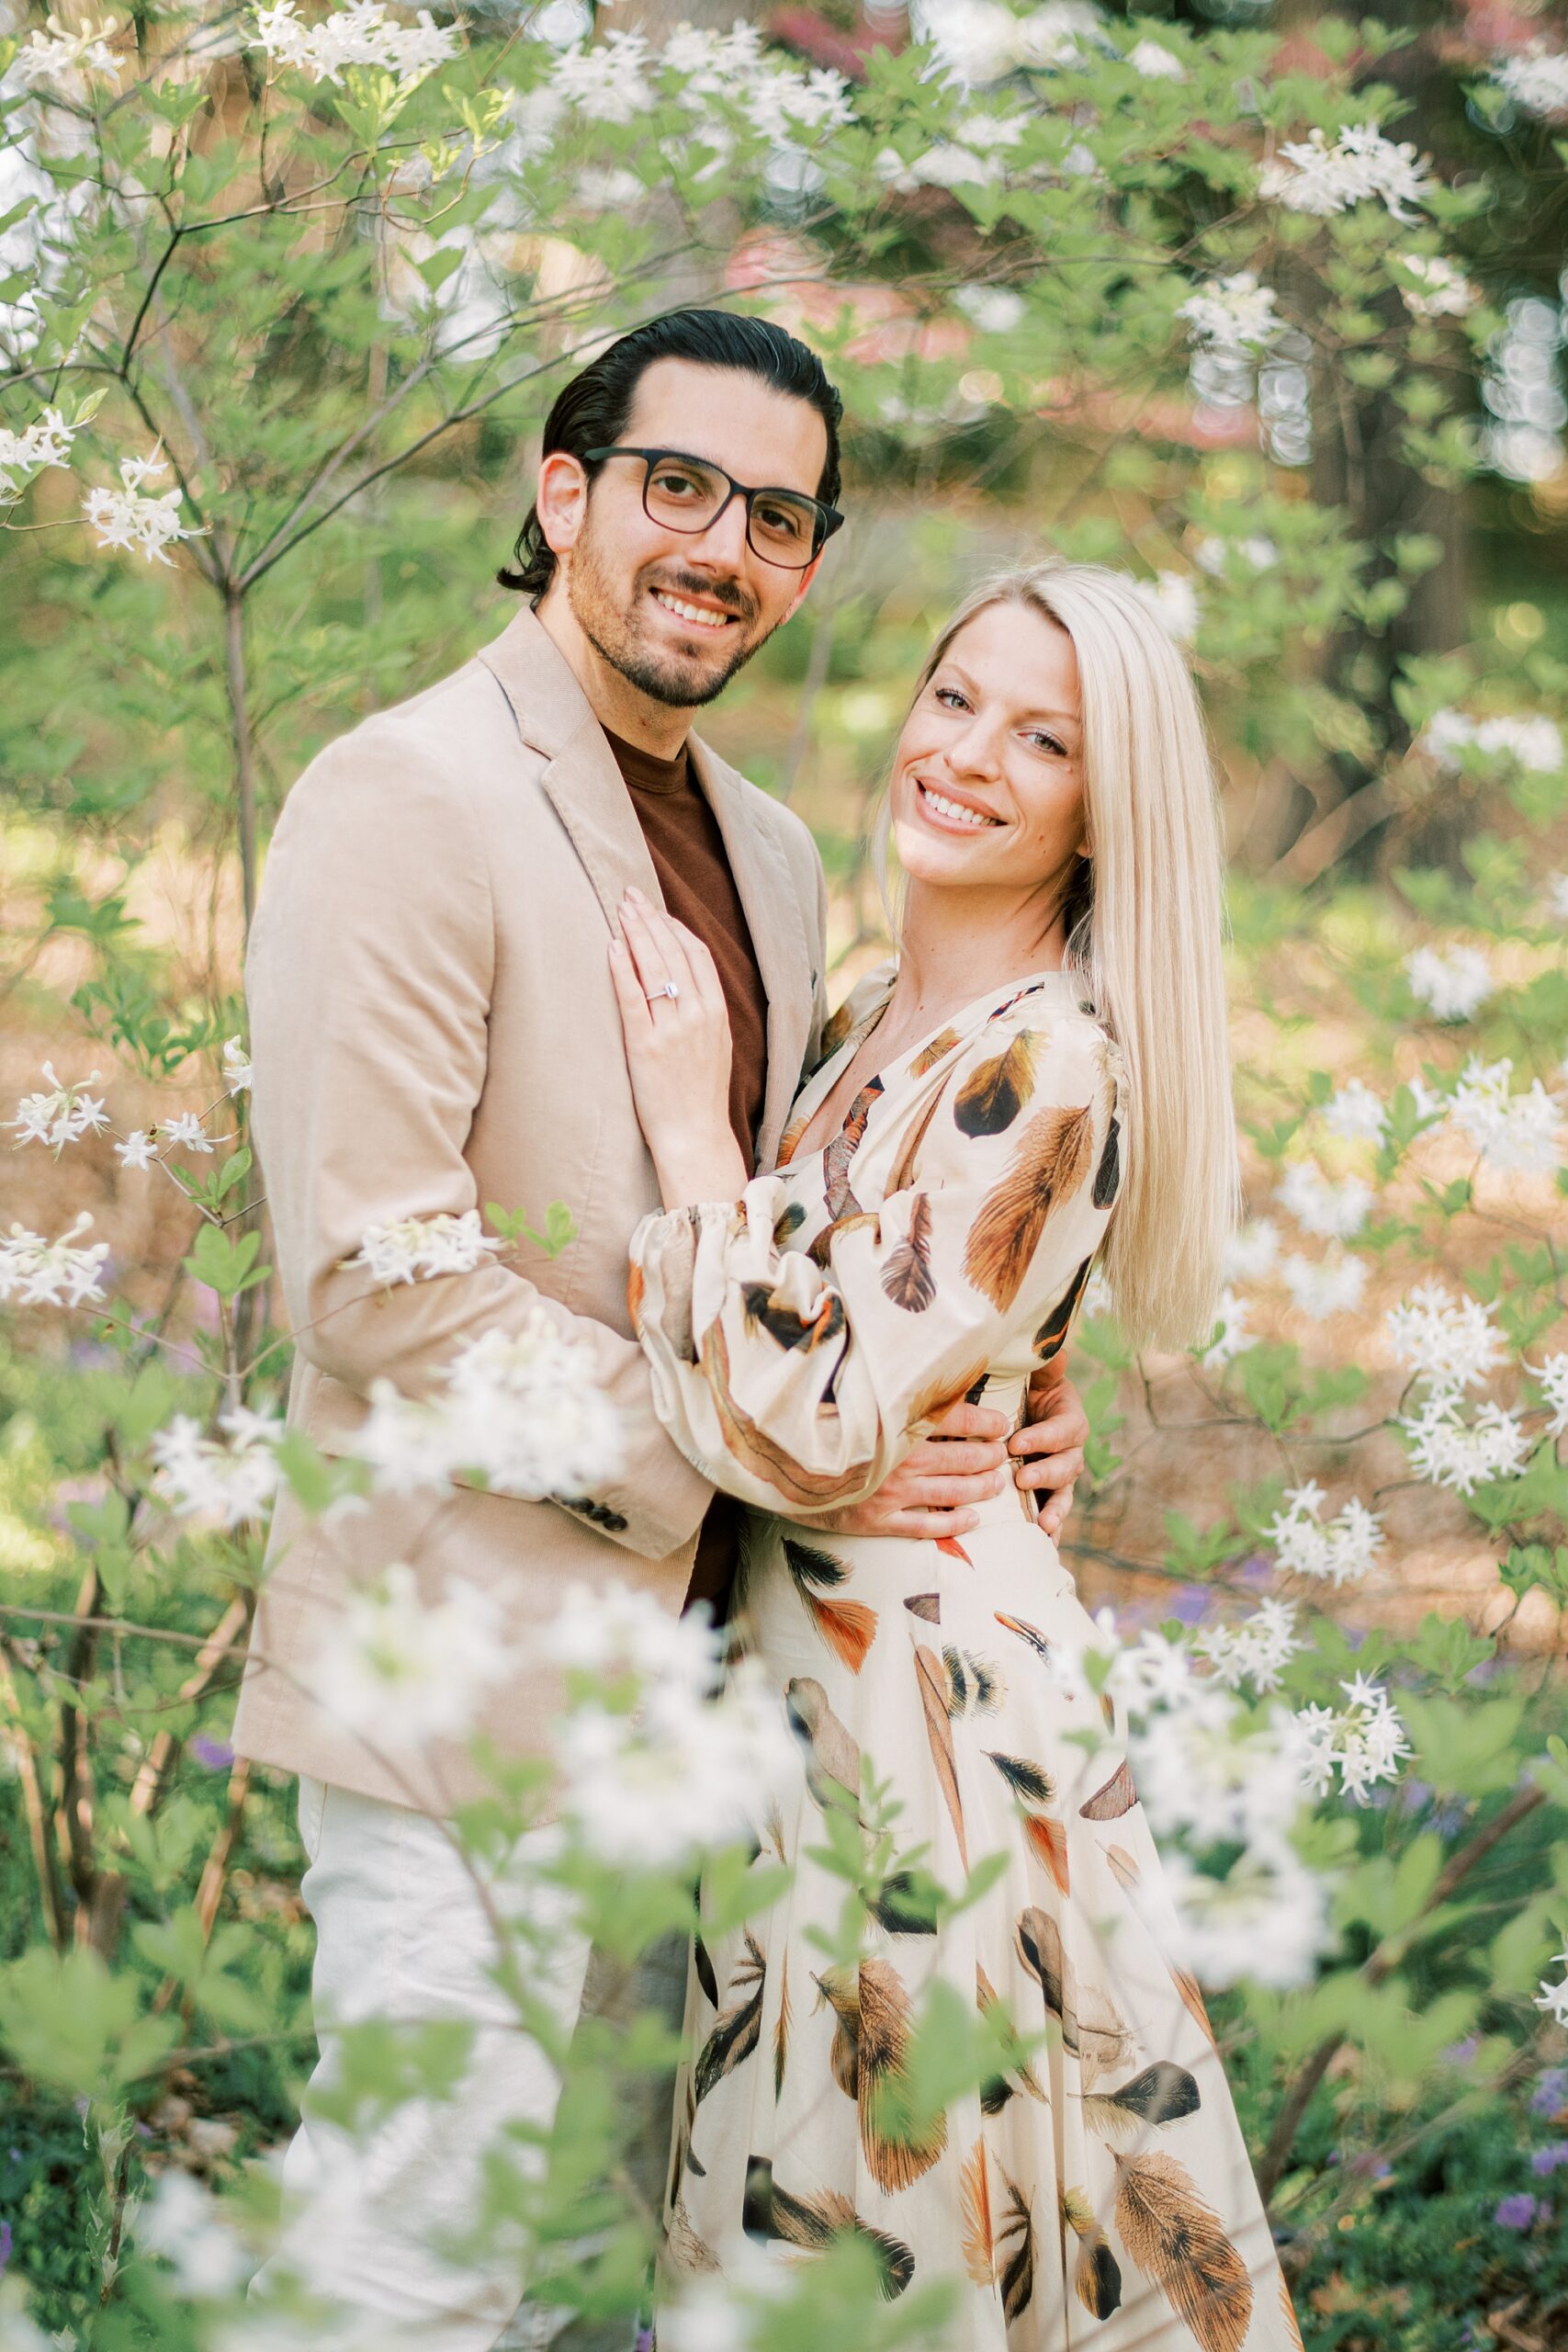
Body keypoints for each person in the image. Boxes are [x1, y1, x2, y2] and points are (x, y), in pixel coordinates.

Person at [232, 311, 1090, 2351]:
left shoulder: (776, 856)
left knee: (587, 2293)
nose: (722, 545)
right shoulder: (408, 791)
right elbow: (368, 1275)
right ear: (565, 495)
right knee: (401, 2278)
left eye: (777, 516)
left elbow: (801, 1247)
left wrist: (1007, 1404)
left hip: (722, 1721)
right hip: (466, 1689)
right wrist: (769, 1455)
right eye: (677, 486)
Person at [613, 564, 1304, 2348]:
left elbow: (804, 1412)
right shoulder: (864, 1020)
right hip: (811, 1688)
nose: (968, 755)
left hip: (919, 1721)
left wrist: (692, 1135)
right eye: (953, 698)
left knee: (868, 2229)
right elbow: (888, 1352)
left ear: (1102, 811)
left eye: (1043, 739)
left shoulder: (1050, 1055)